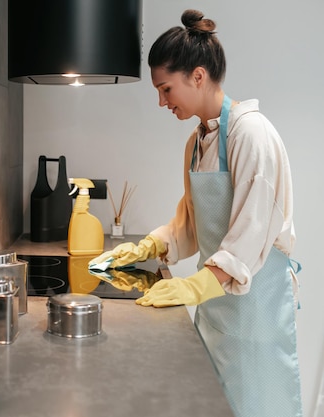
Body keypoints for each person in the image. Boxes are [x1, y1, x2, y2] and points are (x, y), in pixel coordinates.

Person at [89, 9, 302, 417]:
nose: (161, 101)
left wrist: (194, 286)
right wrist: (151, 244)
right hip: (217, 305)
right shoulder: (197, 142)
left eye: (166, 89)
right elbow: (191, 220)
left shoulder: (251, 134)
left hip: (255, 310)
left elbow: (251, 231)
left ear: (198, 76)